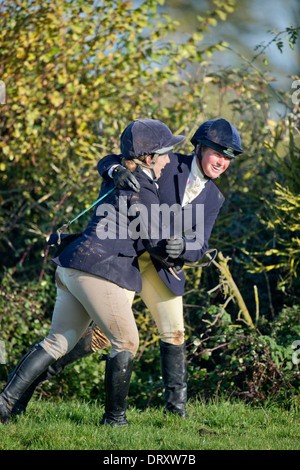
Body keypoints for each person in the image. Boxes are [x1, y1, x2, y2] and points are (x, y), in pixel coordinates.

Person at [8, 118, 244, 420]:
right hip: (125, 258)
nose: (223, 161)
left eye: (229, 157)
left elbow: (202, 243)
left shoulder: (214, 197)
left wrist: (184, 248)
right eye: (218, 153)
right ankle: (27, 391)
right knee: (103, 338)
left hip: (161, 267)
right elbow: (116, 159)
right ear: (199, 148)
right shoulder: (168, 161)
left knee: (174, 331)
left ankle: (176, 413)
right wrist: (114, 170)